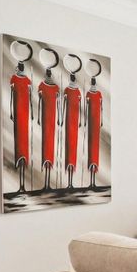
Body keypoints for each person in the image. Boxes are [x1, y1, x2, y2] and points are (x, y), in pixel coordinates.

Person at [8, 41, 33, 193]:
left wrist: (32, 113)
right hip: (19, 114)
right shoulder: (15, 79)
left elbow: (30, 100)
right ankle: (21, 184)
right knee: (19, 146)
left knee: (24, 146)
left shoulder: (27, 81)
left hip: (24, 115)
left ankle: (23, 185)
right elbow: (12, 98)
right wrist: (12, 112)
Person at [37, 48, 61, 190]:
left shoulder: (56, 88)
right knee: (46, 146)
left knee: (50, 146)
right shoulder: (42, 86)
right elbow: (40, 103)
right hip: (46, 119)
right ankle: (46, 183)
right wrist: (38, 117)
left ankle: (48, 182)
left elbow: (58, 105)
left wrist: (59, 118)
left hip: (52, 119)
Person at [62, 54, 83, 189]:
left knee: (73, 149)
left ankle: (71, 182)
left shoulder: (78, 92)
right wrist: (61, 118)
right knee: (69, 148)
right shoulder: (66, 90)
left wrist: (80, 121)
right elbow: (64, 106)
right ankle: (69, 182)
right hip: (68, 122)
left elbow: (79, 108)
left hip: (74, 123)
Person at [85, 59, 104, 188]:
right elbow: (87, 109)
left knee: (95, 152)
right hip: (92, 124)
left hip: (96, 124)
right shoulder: (88, 94)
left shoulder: (99, 95)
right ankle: (91, 181)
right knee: (91, 151)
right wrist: (86, 121)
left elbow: (101, 109)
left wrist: (101, 121)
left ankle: (93, 181)